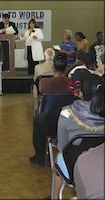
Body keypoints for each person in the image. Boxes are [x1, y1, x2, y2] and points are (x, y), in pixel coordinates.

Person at [52, 70, 105, 199]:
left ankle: (55, 196)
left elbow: (63, 147)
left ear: (80, 93)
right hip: (101, 167)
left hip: (74, 167)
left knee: (57, 161)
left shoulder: (66, 113)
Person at [30, 53, 73, 166]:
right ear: (66, 68)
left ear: (53, 67)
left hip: (49, 121)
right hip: (69, 120)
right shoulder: (71, 83)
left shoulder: (44, 82)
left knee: (37, 120)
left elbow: (41, 92)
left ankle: (40, 156)